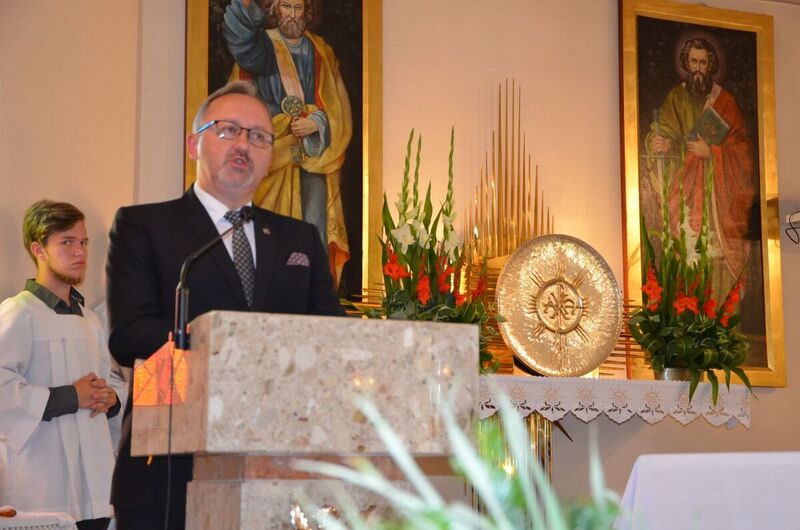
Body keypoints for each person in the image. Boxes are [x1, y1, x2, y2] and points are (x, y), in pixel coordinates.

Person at [106, 80, 343, 530]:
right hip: (170, 468)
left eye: (259, 136)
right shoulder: (145, 226)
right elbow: (128, 335)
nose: (243, 145)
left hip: (278, 468)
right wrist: (224, 339)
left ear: (270, 156)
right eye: (228, 130)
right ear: (193, 144)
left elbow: (332, 333)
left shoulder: (300, 237)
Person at [0, 200, 120, 530]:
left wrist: (111, 398)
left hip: (96, 485)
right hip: (44, 484)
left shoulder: (91, 321)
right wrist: (71, 396)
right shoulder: (19, 312)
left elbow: (110, 383)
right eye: (67, 242)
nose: (80, 252)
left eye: (83, 242)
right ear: (38, 249)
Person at [223, 0, 352, 285]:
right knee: (266, 234)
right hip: (272, 159)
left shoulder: (322, 51)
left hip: (313, 161)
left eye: (297, 7)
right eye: (285, 6)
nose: (292, 15)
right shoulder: (263, 46)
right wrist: (281, 123)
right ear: (274, 10)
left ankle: (311, 295)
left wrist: (318, 123)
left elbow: (338, 109)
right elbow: (244, 49)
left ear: (307, 11)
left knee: (313, 234)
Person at [645, 37, 757, 297]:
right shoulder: (676, 97)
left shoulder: (725, 101)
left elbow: (743, 151)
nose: (698, 68)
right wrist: (661, 142)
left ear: (711, 65)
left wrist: (713, 153)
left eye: (703, 62)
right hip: (685, 190)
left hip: (718, 199)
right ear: (686, 63)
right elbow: (665, 131)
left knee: (716, 268)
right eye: (693, 61)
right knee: (687, 259)